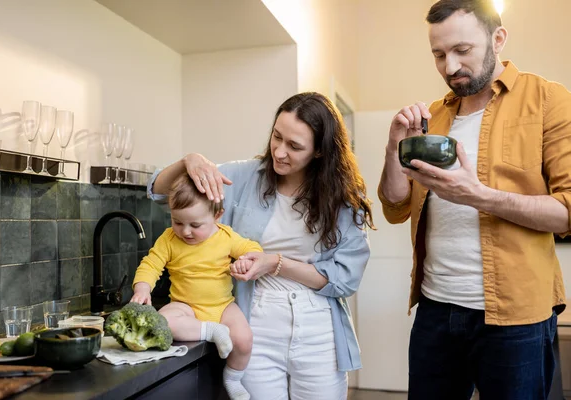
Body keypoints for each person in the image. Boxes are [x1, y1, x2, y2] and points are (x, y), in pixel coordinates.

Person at [378, 0, 571, 399]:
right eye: (438, 54)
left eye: (462, 51)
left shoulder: (549, 101)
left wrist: (478, 196)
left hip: (516, 318)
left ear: (498, 38)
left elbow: (566, 211)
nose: (450, 67)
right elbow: (395, 206)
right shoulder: (434, 115)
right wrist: (394, 145)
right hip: (435, 310)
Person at [147, 92, 374, 400]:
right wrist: (189, 162)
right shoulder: (241, 178)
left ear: (320, 151)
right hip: (256, 322)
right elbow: (159, 191)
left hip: (318, 327)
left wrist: (276, 263)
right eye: (276, 137)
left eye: (294, 146)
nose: (280, 152)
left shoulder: (343, 200)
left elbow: (344, 279)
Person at [131, 173, 263, 400]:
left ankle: (232, 378)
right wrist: (142, 287)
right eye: (177, 222)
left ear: (217, 215)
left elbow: (252, 249)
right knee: (163, 322)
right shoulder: (169, 239)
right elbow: (151, 264)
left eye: (195, 224)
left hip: (222, 306)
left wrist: (246, 260)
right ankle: (212, 331)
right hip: (184, 306)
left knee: (244, 339)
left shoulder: (226, 237)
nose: (185, 231)